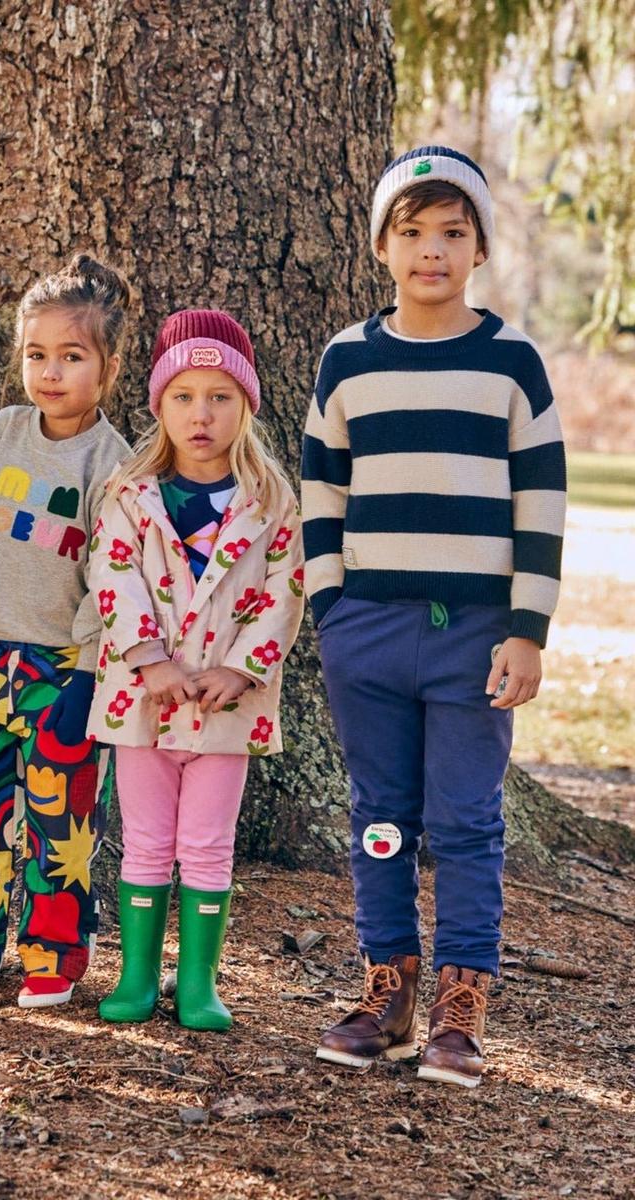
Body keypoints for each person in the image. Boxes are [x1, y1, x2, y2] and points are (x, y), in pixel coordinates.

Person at [303, 146, 566, 1087]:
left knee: (463, 820)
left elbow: (542, 499)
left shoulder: (511, 363)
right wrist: (330, 607)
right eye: (411, 233)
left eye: (452, 233)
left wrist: (527, 628)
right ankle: (390, 985)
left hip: (477, 635)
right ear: (382, 246)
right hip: (367, 628)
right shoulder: (348, 359)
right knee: (380, 816)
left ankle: (462, 1000)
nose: (431, 251)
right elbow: (321, 491)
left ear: (479, 248)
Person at [0, 254, 133, 1008]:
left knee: (61, 819)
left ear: (106, 369)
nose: (50, 372)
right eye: (36, 355)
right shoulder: (5, 434)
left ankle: (54, 947)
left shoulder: (116, 465)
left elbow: (113, 580)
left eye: (71, 357)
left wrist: (87, 673)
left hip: (67, 674)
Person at [89, 309, 303, 1030]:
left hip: (225, 704)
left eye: (220, 397)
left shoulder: (270, 502)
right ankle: (139, 976)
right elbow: (112, 581)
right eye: (183, 396)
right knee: (146, 840)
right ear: (159, 405)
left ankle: (200, 983)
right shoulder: (129, 494)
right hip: (141, 700)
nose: (201, 414)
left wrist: (241, 670)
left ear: (246, 406)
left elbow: (284, 592)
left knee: (208, 844)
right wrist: (148, 659)